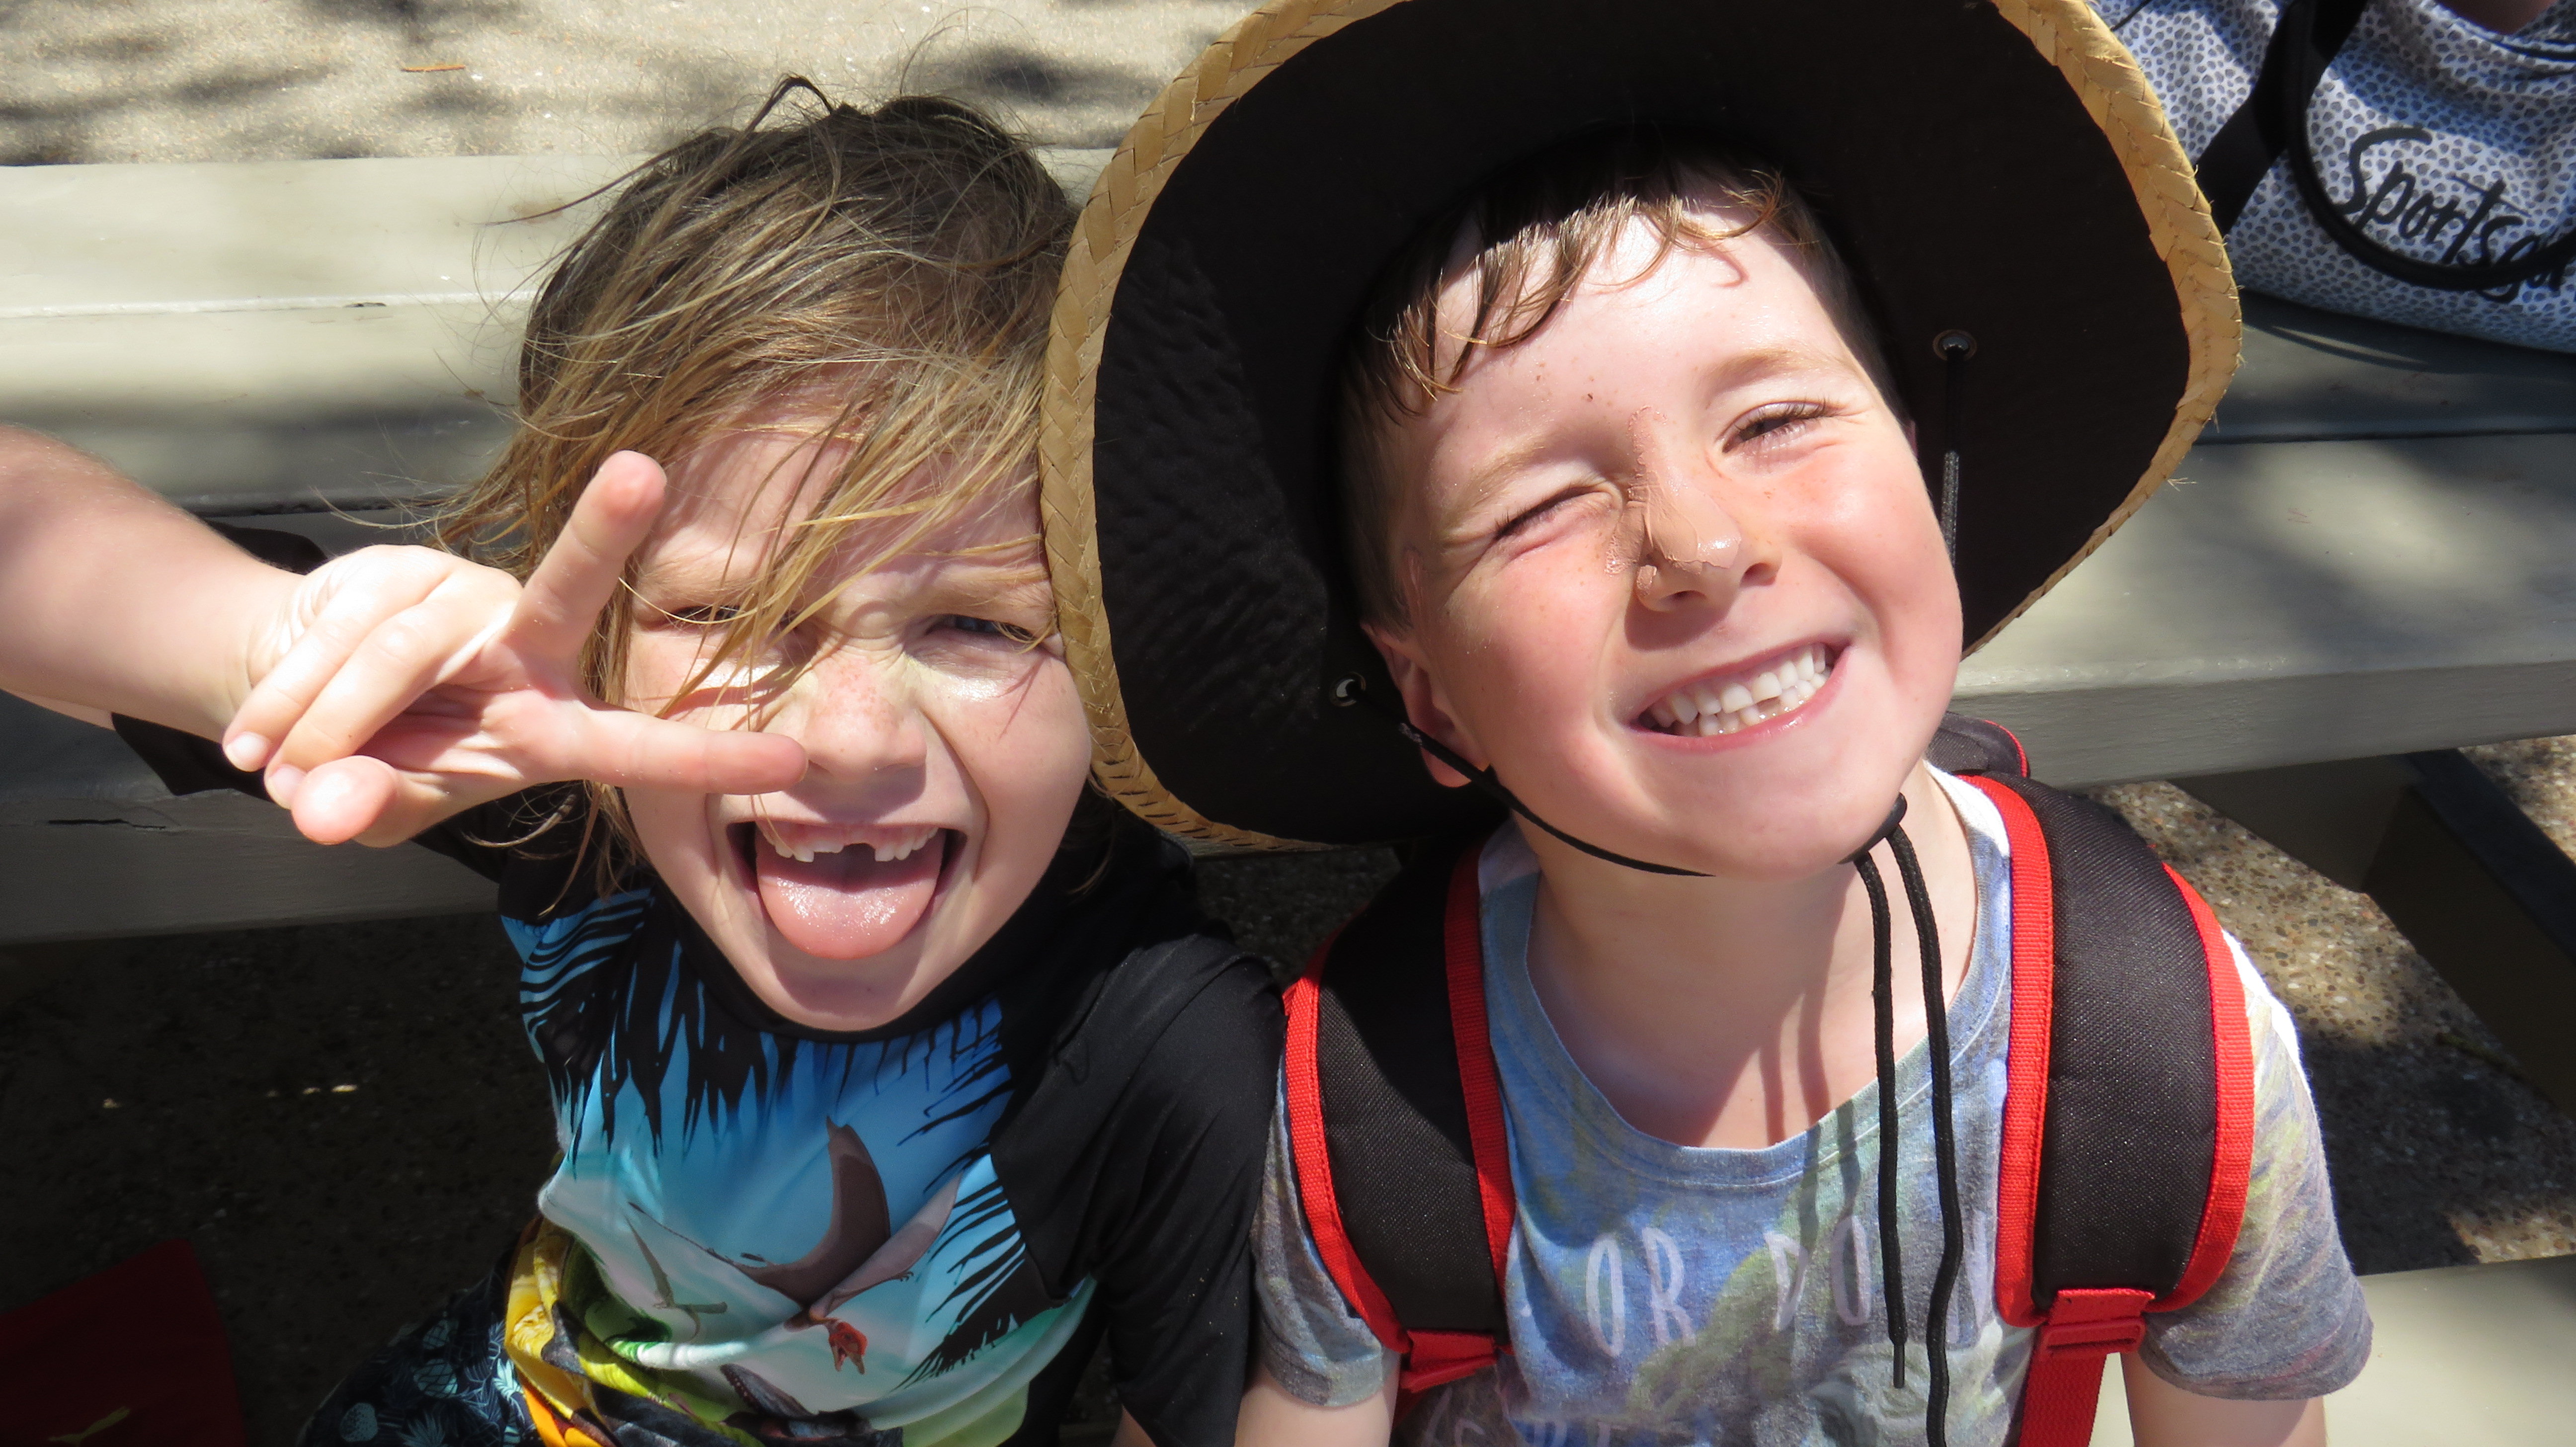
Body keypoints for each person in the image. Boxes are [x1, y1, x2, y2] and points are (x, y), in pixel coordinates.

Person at [1025, 1, 2373, 1444]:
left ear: (1925, 462)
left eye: (1777, 420)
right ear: (1428, 694)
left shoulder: (2164, 1055)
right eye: (1539, 508)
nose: (1705, 545)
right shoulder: (1371, 1116)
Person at [0, 81, 1279, 1447]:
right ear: (601, 644)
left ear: (1112, 646)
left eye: (981, 624)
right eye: (721, 611)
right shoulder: (575, 787)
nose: (849, 738)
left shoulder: (1175, 1049)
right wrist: (269, 646)